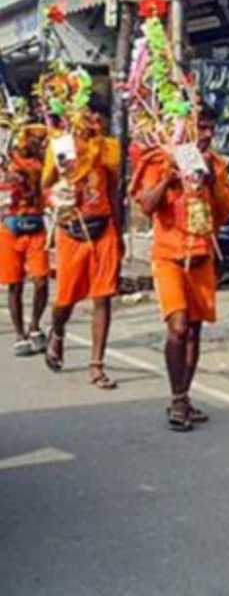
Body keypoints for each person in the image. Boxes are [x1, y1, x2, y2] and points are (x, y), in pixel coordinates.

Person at [131, 105, 229, 430]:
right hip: (169, 257)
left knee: (194, 330)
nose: (207, 135)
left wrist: (212, 177)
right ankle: (177, 399)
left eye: (211, 129)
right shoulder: (160, 160)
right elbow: (147, 205)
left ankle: (183, 396)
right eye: (201, 127)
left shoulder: (215, 165)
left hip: (202, 256)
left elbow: (226, 210)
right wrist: (169, 178)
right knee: (177, 327)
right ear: (186, 129)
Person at [43, 109, 122, 389]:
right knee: (65, 300)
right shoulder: (62, 146)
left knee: (103, 296)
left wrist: (119, 230)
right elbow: (46, 185)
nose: (92, 122)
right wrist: (60, 180)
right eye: (86, 117)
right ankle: (58, 330)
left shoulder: (107, 148)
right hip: (72, 229)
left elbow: (113, 190)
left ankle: (96, 364)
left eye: (96, 118)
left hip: (103, 229)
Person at [1, 123, 50, 357]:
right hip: (10, 227)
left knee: (41, 279)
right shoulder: (8, 161)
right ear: (26, 139)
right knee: (15, 284)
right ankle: (19, 334)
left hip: (35, 226)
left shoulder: (45, 163)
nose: (40, 144)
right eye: (37, 140)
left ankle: (35, 327)